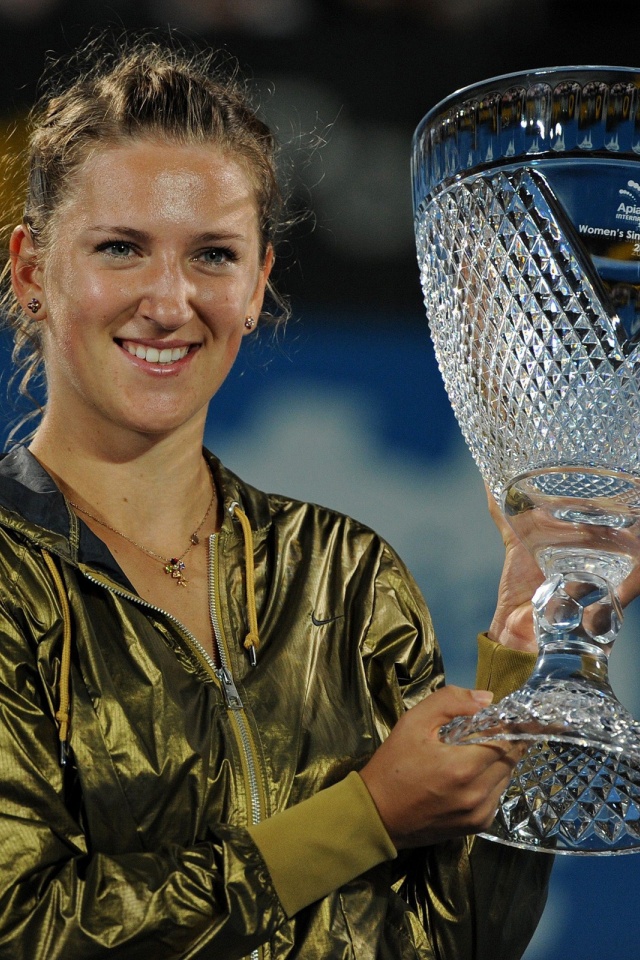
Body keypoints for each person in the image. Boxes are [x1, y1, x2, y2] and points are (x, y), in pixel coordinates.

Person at [0, 34, 552, 959]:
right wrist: (364, 816)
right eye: (121, 248)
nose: (169, 301)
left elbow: (463, 939)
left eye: (213, 255)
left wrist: (531, 639)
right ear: (30, 273)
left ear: (257, 286)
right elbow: (26, 928)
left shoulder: (348, 575)